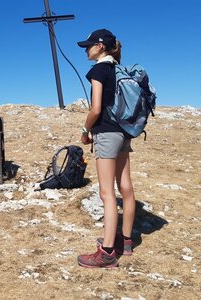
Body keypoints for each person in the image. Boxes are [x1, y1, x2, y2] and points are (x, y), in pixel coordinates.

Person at [76, 29, 135, 268]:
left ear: (100, 46)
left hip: (107, 133)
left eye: (89, 45)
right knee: (126, 186)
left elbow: (96, 109)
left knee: (106, 193)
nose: (86, 49)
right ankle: (126, 242)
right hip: (124, 132)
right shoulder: (118, 69)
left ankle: (107, 252)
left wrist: (84, 130)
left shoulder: (99, 70)